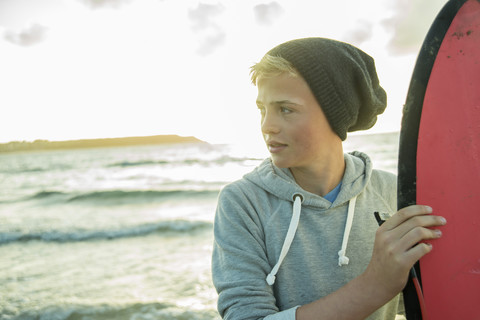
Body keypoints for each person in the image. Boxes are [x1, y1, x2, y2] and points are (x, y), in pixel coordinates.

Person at [211, 37, 446, 320]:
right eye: (263, 109)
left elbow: (430, 302)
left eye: (286, 109)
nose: (267, 126)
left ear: (335, 113)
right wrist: (374, 286)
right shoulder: (243, 203)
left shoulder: (392, 192)